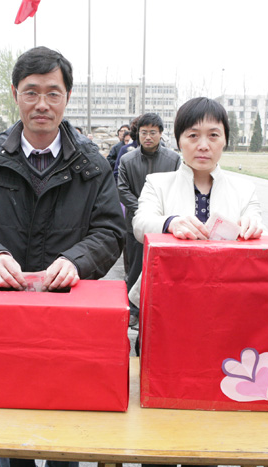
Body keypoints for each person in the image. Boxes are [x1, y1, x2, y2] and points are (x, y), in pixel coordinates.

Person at [0, 48, 126, 467]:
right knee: (11, 430)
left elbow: (110, 231)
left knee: (66, 427)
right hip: (6, 316)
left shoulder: (92, 165)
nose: (42, 104)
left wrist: (78, 260)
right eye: (31, 92)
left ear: (68, 97)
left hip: (70, 317)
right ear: (15, 94)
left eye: (53, 92)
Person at [129, 97, 263, 367]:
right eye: (193, 135)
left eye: (213, 135)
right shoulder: (158, 184)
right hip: (165, 303)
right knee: (161, 370)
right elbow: (140, 223)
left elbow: (259, 227)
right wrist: (170, 222)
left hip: (224, 307)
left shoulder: (244, 190)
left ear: (225, 140)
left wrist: (254, 225)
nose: (203, 145)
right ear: (179, 140)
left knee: (214, 368)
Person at [117, 113, 180, 332]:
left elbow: (178, 189)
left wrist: (159, 215)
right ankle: (133, 311)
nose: (148, 137)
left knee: (163, 267)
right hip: (135, 223)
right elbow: (122, 189)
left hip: (164, 225)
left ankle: (159, 308)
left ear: (161, 134)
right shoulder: (127, 159)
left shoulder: (173, 160)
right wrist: (144, 210)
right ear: (138, 134)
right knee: (135, 266)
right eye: (144, 132)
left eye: (153, 132)